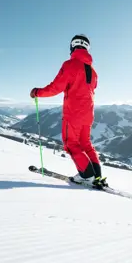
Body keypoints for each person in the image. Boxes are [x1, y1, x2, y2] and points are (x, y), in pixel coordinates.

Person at [30, 34, 106, 187]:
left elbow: (56, 87)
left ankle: (87, 175)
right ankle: (97, 175)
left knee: (70, 143)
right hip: (88, 114)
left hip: (74, 113)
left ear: (72, 47)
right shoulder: (93, 71)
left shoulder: (70, 65)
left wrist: (37, 92)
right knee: (85, 144)